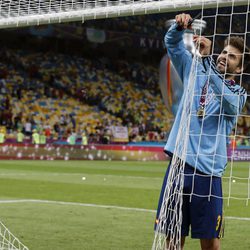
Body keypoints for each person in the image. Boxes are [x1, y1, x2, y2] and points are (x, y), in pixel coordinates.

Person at [155, 13, 249, 250]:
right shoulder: (194, 69)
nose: (226, 57)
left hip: (207, 173)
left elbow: (226, 100)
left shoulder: (238, 95)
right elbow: (172, 44)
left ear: (239, 68)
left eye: (233, 57)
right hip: (178, 165)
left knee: (209, 244)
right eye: (225, 52)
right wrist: (179, 27)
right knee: (173, 239)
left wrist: (206, 61)